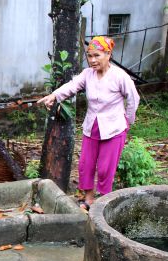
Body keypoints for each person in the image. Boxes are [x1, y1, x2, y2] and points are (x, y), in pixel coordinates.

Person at [37, 36, 140, 210]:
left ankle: (104, 202)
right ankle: (89, 199)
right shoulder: (88, 74)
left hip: (114, 128)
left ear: (108, 54)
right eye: (89, 56)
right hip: (92, 126)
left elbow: (133, 99)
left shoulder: (119, 76)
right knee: (86, 164)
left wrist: (127, 121)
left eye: (97, 55)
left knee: (106, 168)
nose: (92, 60)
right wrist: (54, 95)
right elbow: (72, 85)